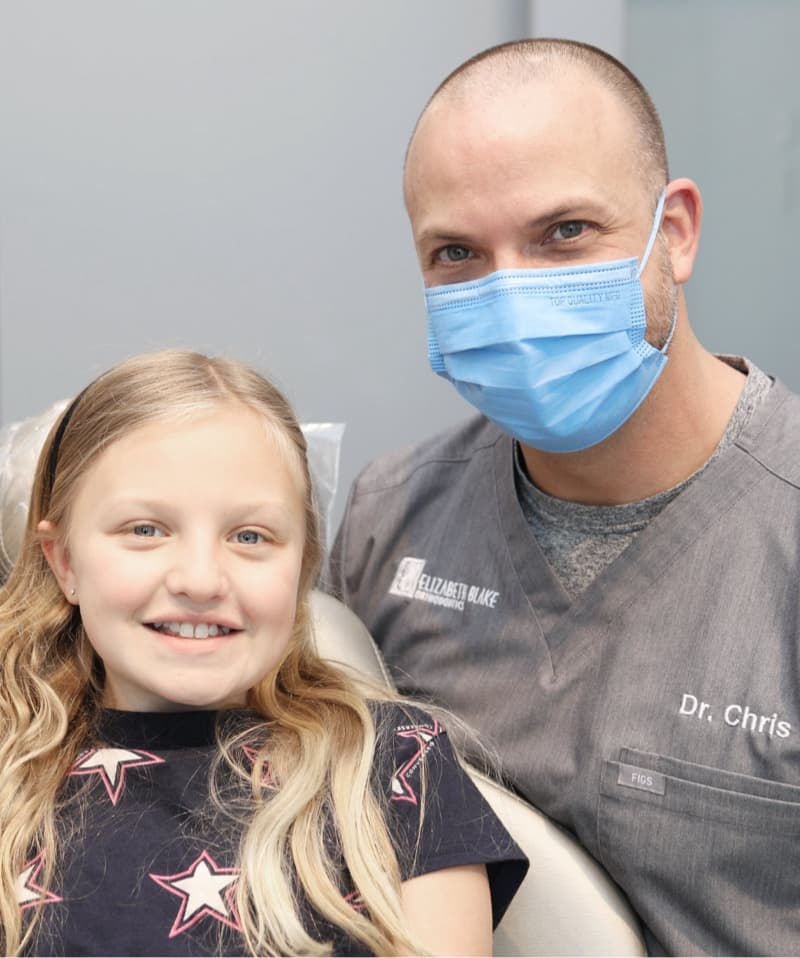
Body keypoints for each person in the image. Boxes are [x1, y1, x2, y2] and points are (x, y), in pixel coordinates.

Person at [327, 37, 800, 957]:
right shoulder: (392, 521)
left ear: (676, 231)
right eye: (457, 252)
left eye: (565, 233)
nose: (509, 295)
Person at [0, 350, 526, 957]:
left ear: (301, 568)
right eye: (145, 530)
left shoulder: (395, 768)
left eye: (250, 536)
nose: (200, 580)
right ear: (63, 562)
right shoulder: (14, 782)